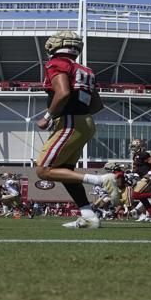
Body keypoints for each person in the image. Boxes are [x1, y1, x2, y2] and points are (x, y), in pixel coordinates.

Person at [32, 30, 118, 229]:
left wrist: (48, 117)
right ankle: (89, 216)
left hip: (71, 121)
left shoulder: (57, 63)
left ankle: (100, 180)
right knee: (65, 173)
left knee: (44, 171)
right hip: (85, 122)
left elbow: (62, 93)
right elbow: (97, 105)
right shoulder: (85, 70)